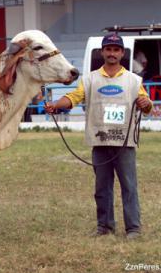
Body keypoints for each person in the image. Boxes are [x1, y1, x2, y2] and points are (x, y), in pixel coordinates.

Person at [45, 33, 152, 239]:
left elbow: (146, 105)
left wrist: (145, 104)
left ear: (122, 53)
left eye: (116, 49)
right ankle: (104, 227)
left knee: (129, 186)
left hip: (124, 142)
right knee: (102, 187)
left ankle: (133, 228)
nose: (112, 53)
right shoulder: (90, 79)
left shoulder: (134, 80)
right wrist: (56, 106)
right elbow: (73, 98)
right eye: (108, 49)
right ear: (102, 52)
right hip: (100, 141)